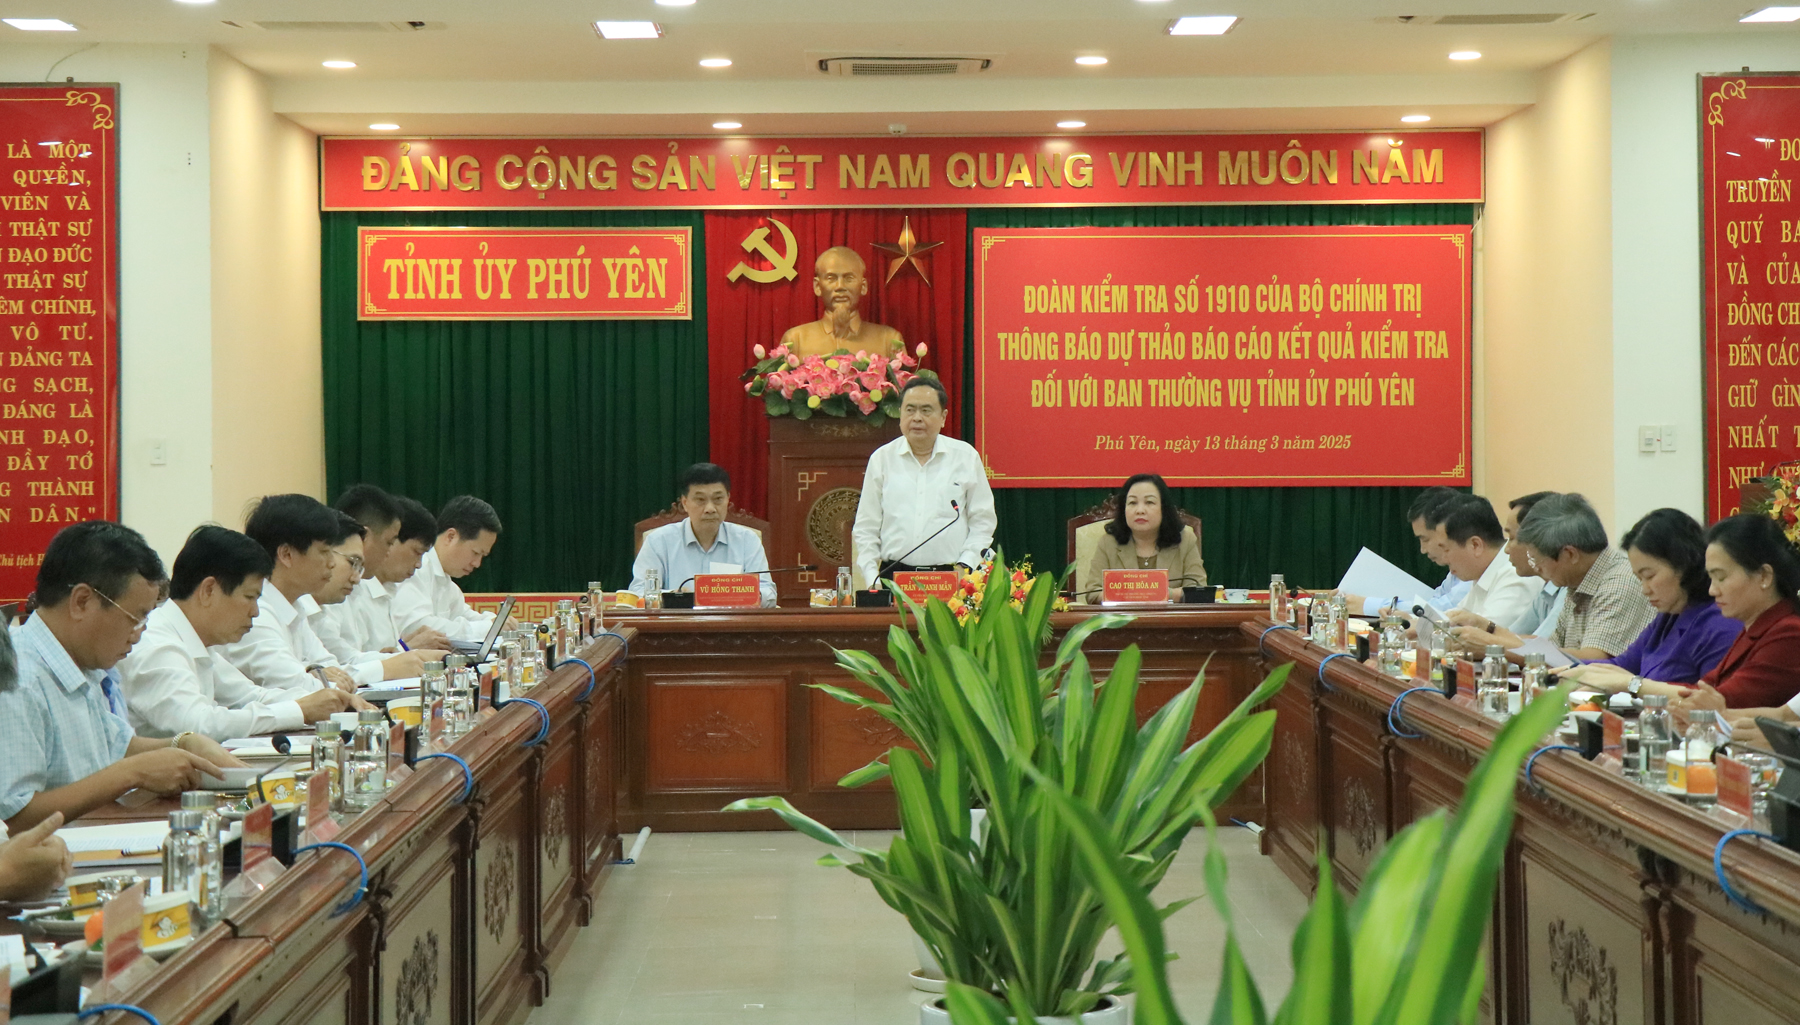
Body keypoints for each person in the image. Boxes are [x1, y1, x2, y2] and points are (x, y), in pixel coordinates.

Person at [0, 522, 236, 830]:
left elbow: (115, 745)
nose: (138, 634)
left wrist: (185, 743)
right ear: (82, 601)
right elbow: (14, 817)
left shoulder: (80, 662)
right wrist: (131, 773)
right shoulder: (18, 680)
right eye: (135, 617)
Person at [118, 525, 361, 740]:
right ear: (209, 590)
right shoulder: (158, 644)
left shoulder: (197, 642)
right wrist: (300, 710)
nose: (255, 611)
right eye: (249, 597)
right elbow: (198, 725)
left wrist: (328, 698)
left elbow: (250, 696)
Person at [1554, 509, 1743, 695]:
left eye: (1649, 576)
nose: (1645, 589)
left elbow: (1711, 700)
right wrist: (1561, 667)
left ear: (1683, 564)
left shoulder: (1719, 623)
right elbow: (1620, 666)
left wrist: (1633, 684)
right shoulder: (1668, 617)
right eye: (1639, 578)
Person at [218, 494, 373, 693]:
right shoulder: (256, 612)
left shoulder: (295, 606)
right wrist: (313, 674)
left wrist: (314, 672)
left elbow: (334, 669)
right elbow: (297, 685)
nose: (331, 563)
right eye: (324, 552)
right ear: (286, 554)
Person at [852, 377, 997, 585]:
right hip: (893, 579)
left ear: (943, 417)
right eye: (910, 410)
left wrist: (965, 567)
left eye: (926, 411)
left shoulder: (965, 457)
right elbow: (866, 527)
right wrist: (871, 578)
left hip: (951, 579)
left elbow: (983, 521)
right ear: (900, 414)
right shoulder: (882, 459)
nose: (917, 418)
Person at [1662, 514, 1800, 710]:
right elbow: (1704, 689)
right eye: (1711, 578)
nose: (1712, 590)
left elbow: (1723, 701)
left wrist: (1632, 684)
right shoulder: (1753, 628)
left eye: (1721, 578)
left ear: (1764, 576)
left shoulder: (1790, 634)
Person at [1512, 493, 1654, 660]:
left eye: (1537, 559)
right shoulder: (1576, 583)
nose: (1536, 568)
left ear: (1570, 554)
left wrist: (1500, 647)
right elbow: (1553, 649)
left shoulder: (1619, 583)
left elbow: (1593, 659)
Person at [308, 512, 445, 679]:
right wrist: (403, 655)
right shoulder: (307, 607)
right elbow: (326, 675)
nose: (356, 578)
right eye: (389, 543)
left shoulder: (316, 609)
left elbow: (340, 664)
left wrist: (407, 656)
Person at [630, 463, 777, 606]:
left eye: (718, 499)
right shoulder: (658, 541)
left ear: (728, 499)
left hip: (731, 621)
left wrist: (745, 595)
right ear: (685, 503)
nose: (710, 509)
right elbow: (638, 591)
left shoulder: (747, 540)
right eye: (700, 500)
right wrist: (675, 598)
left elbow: (768, 593)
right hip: (679, 621)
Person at [1446, 491, 1565, 648]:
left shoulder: (1565, 590)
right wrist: (1484, 625)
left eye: (1513, 538)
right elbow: (1515, 635)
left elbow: (1545, 649)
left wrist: (1486, 640)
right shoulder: (1547, 590)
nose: (1507, 549)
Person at [336, 495, 451, 654]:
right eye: (389, 542)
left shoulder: (385, 589)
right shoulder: (344, 591)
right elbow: (345, 662)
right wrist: (406, 650)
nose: (419, 564)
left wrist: (403, 648)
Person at [1338, 486, 1472, 616]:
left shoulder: (1471, 570)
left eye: (1425, 539)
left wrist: (1367, 605)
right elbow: (1435, 600)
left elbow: (1444, 608)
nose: (1423, 550)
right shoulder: (1456, 571)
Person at [393, 495, 510, 641]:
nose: (477, 563)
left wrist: (493, 621)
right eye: (475, 553)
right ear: (451, 536)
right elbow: (417, 626)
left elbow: (464, 615)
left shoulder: (447, 582)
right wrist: (488, 628)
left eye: (483, 556)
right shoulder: (415, 569)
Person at [1080, 473, 1205, 602]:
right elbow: (1092, 593)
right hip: (1123, 615)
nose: (1140, 510)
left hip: (1170, 616)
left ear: (1163, 508)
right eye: (1132, 503)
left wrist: (1160, 593)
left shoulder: (1185, 541)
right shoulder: (1108, 543)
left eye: (1149, 502)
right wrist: (1137, 594)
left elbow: (1198, 591)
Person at [1433, 494, 1540, 629]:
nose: (1443, 559)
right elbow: (1453, 617)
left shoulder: (1516, 575)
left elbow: (1482, 637)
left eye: (1446, 549)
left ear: (1475, 545)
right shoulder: (1483, 572)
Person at [777, 247, 905, 359]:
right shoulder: (795, 340)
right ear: (817, 286)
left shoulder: (889, 341)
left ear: (863, 286)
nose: (840, 286)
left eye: (849, 278)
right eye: (831, 278)